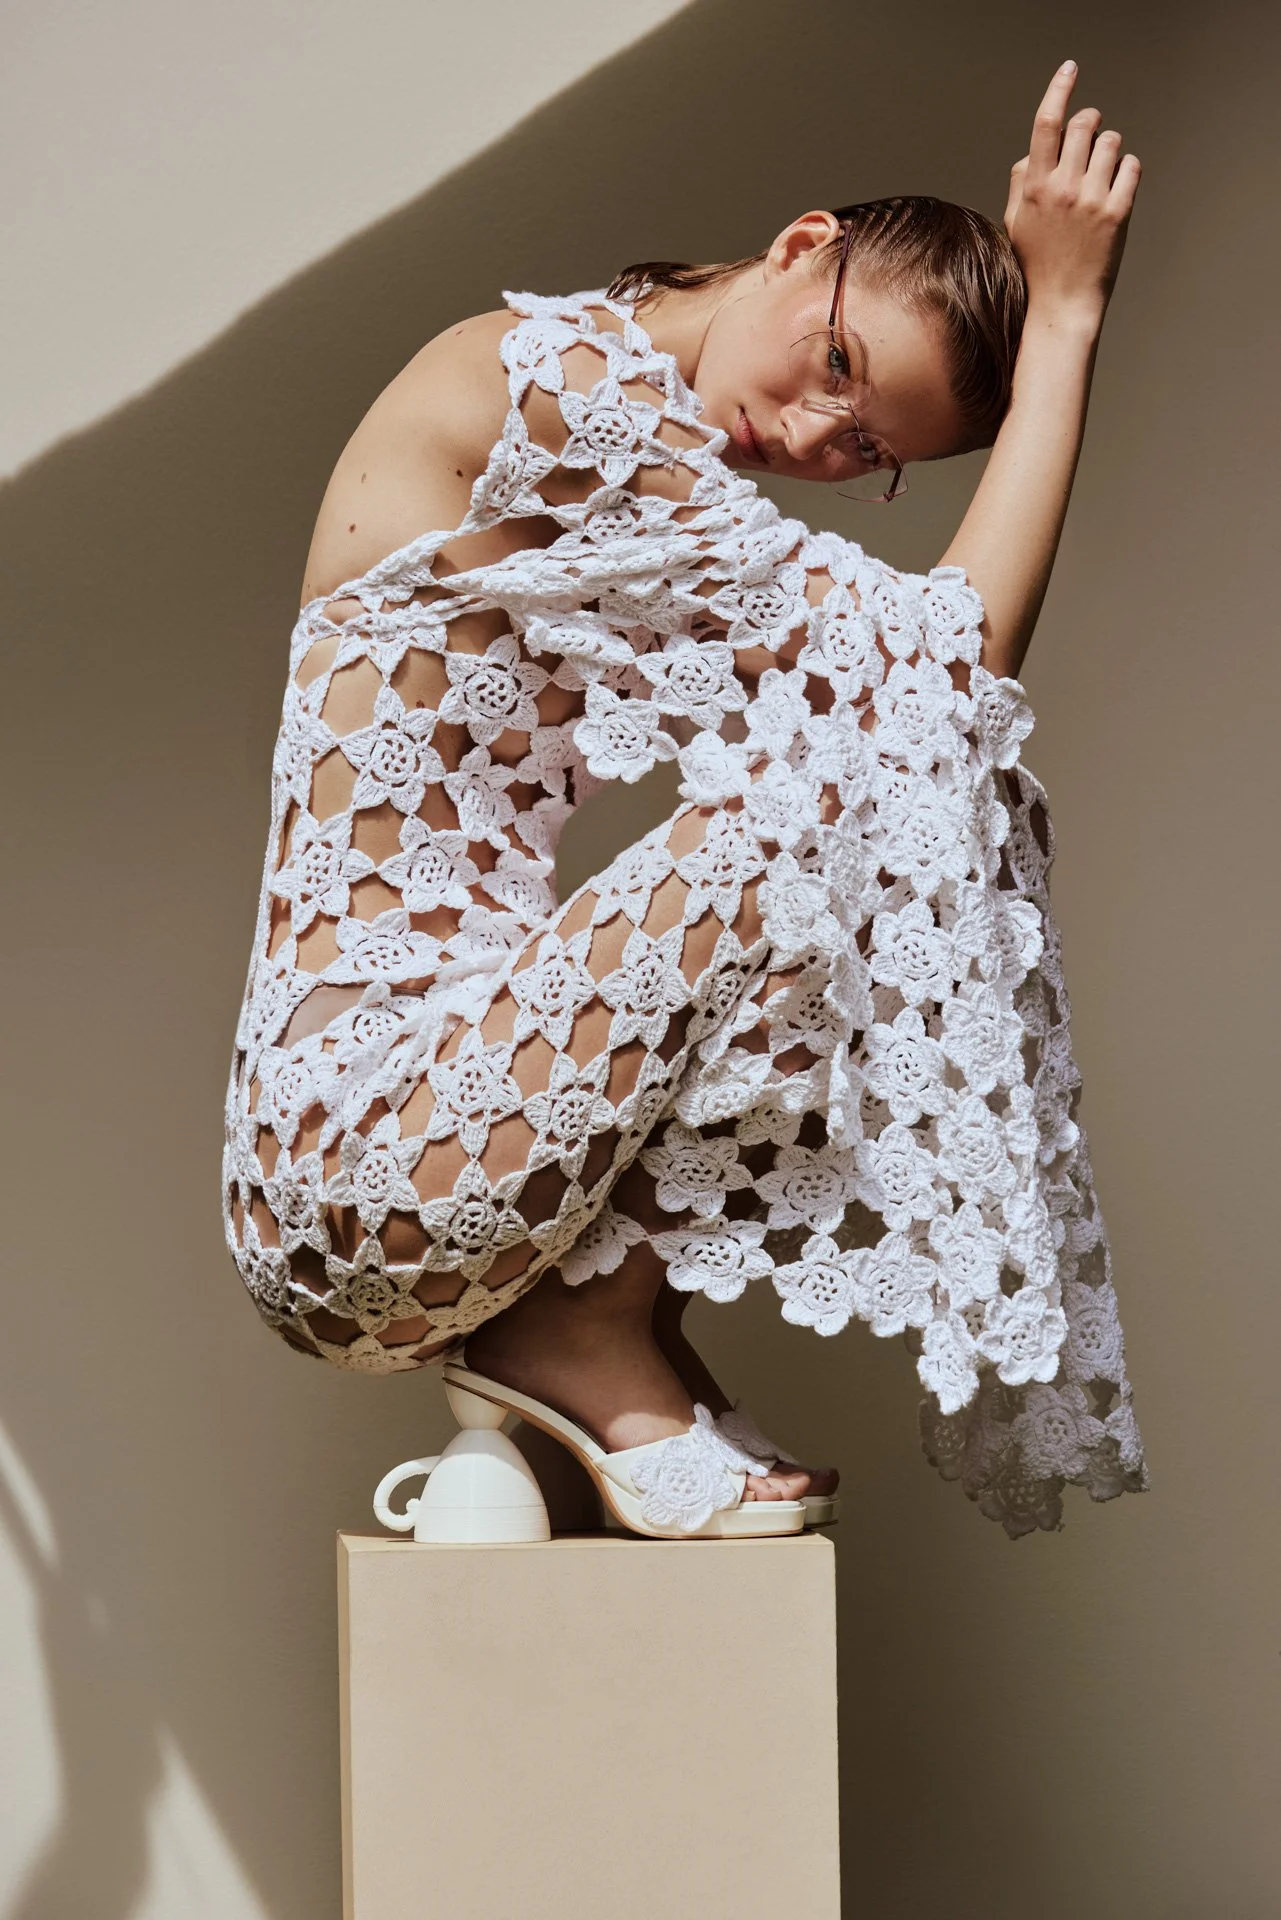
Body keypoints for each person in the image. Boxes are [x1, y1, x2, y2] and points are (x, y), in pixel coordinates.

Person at [223, 62, 1149, 1538]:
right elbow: (940, 673)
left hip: (463, 1142)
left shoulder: (637, 443)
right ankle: (573, 1333)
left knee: (885, 772)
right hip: (355, 1173)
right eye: (836, 365)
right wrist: (1072, 319)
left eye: (867, 453)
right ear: (797, 245)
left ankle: (601, 1315)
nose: (807, 438)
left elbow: (928, 698)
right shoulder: (545, 386)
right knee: (849, 789)